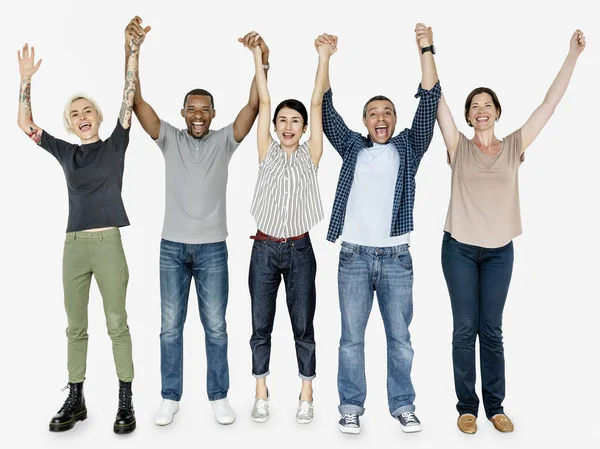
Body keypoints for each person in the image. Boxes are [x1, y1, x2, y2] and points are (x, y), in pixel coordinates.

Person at [437, 30, 586, 435]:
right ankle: (467, 407)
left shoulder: (515, 145)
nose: (480, 110)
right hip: (460, 250)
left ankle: (495, 406)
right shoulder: (457, 146)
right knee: (465, 327)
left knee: (492, 329)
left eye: (487, 105)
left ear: (497, 112)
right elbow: (437, 97)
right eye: (474, 106)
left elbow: (549, 104)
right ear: (468, 117)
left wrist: (571, 55)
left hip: (500, 251)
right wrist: (426, 50)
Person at [125, 18, 270, 426]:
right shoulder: (169, 138)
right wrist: (132, 51)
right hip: (171, 247)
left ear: (213, 113)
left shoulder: (225, 140)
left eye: (205, 109)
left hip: (212, 251)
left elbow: (256, 106)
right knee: (170, 328)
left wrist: (261, 60)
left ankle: (218, 396)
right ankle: (170, 396)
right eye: (192, 109)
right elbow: (136, 104)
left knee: (216, 328)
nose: (199, 115)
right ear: (183, 113)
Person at [16, 17, 145, 434]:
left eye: (87, 110)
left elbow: (128, 99)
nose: (82, 115)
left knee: (116, 323)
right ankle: (77, 397)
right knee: (75, 326)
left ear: (98, 117)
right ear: (71, 124)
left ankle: (125, 399)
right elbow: (24, 125)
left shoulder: (116, 145)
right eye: (75, 114)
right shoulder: (66, 152)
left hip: (108, 244)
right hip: (73, 246)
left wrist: (133, 51)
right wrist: (25, 81)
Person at [319, 24, 441, 434]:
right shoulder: (353, 147)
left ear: (395, 119)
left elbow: (430, 103)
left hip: (396, 259)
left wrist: (426, 48)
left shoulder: (408, 147)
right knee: (351, 339)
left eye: (388, 111)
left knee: (400, 340)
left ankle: (403, 404)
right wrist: (325, 59)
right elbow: (323, 110)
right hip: (353, 256)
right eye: (373, 113)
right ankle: (351, 405)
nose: (381, 117)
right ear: (365, 121)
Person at [240, 31, 331, 424]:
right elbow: (263, 100)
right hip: (263, 248)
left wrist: (324, 58)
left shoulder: (312, 154)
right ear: (275, 126)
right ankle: (261, 391)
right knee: (260, 326)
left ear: (305, 127)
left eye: (296, 121)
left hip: (299, 250)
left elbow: (315, 100)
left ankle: (306, 392)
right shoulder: (267, 151)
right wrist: (258, 58)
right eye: (283, 120)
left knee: (302, 324)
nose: (289, 125)